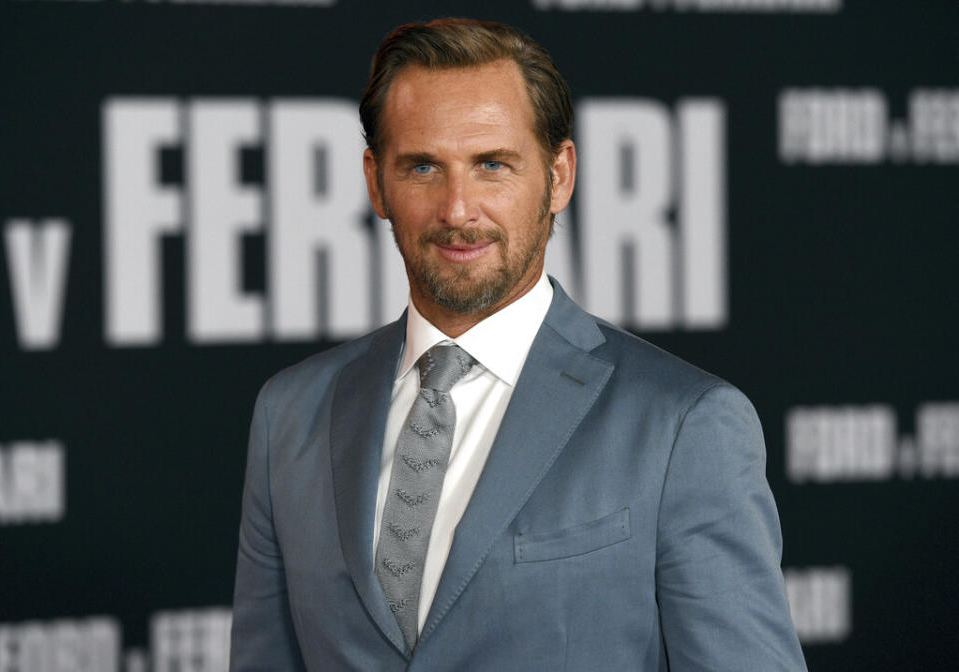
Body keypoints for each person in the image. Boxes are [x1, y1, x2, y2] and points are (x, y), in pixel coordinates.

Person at [229, 18, 807, 671]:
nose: (457, 208)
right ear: (376, 182)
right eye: (423, 167)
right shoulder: (290, 414)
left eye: (492, 165)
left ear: (558, 176)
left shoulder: (683, 426)